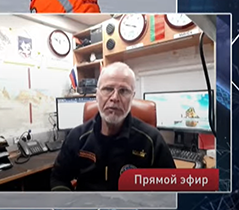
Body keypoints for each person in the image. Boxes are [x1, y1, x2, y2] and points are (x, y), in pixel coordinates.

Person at [49, 62, 176, 191]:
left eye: (124, 91)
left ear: (132, 97)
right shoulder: (77, 137)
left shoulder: (152, 141)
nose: (115, 98)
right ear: (97, 95)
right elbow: (59, 178)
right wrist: (69, 208)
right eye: (108, 89)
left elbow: (172, 191)